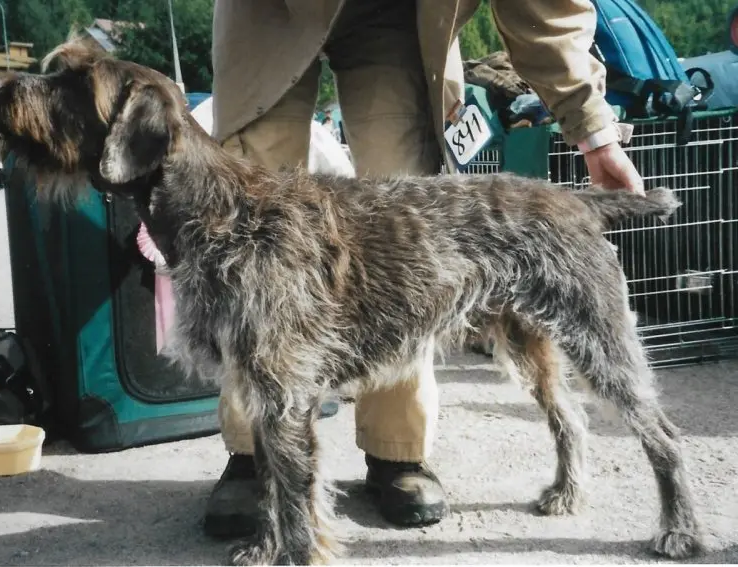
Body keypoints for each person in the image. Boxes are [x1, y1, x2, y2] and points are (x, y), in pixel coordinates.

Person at [204, 0, 645, 539]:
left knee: (408, 229)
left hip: (393, 16)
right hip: (268, 13)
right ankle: (255, 456)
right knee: (256, 231)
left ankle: (397, 452)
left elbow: (545, 6)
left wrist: (594, 130)